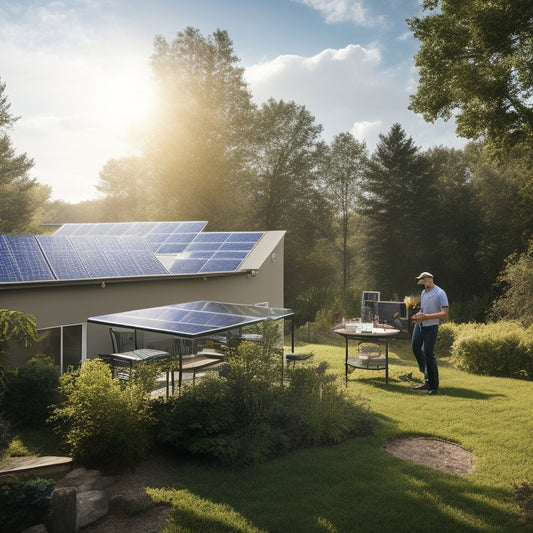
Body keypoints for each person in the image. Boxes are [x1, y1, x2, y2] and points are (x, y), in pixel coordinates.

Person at [411, 272, 449, 395]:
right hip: (420, 325)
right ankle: (426, 375)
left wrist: (426, 317)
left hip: (431, 327)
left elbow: (444, 313)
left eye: (423, 282)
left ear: (429, 280)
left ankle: (433, 386)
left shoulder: (440, 293)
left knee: (428, 355)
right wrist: (418, 315)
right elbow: (423, 309)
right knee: (415, 348)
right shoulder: (423, 293)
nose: (422, 284)